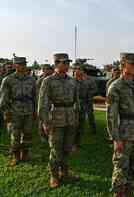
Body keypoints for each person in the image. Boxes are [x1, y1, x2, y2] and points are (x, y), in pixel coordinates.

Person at [38, 53, 79, 189]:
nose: (67, 65)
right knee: (56, 149)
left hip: (70, 118)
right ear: (56, 64)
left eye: (68, 62)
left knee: (67, 148)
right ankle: (54, 175)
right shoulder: (48, 81)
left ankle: (65, 172)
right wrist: (45, 122)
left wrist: (76, 118)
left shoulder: (72, 81)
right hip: (55, 118)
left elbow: (76, 101)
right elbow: (43, 104)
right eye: (64, 62)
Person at [106, 52, 134, 197]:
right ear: (123, 65)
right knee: (121, 165)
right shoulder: (115, 87)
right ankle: (118, 193)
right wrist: (116, 138)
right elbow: (111, 116)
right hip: (124, 132)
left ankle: (127, 189)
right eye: (132, 64)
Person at [0, 56, 36, 166]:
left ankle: (25, 154)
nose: (23, 66)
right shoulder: (8, 79)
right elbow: (4, 97)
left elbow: (35, 96)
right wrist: (6, 112)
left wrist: (35, 110)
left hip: (29, 110)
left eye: (24, 64)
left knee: (28, 134)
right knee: (15, 135)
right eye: (20, 64)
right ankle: (16, 156)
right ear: (15, 65)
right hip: (14, 111)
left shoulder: (31, 79)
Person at [72, 65, 89, 150]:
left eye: (80, 69)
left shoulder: (85, 82)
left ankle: (79, 142)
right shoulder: (71, 81)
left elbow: (87, 95)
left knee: (81, 125)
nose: (79, 71)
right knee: (74, 126)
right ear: (74, 71)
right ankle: (73, 144)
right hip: (74, 106)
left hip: (83, 105)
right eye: (77, 69)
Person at [36, 64, 54, 142]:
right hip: (43, 102)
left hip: (51, 102)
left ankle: (50, 134)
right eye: (46, 69)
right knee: (42, 119)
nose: (48, 71)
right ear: (43, 70)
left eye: (49, 69)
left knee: (50, 118)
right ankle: (42, 135)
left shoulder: (52, 79)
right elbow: (37, 93)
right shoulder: (41, 80)